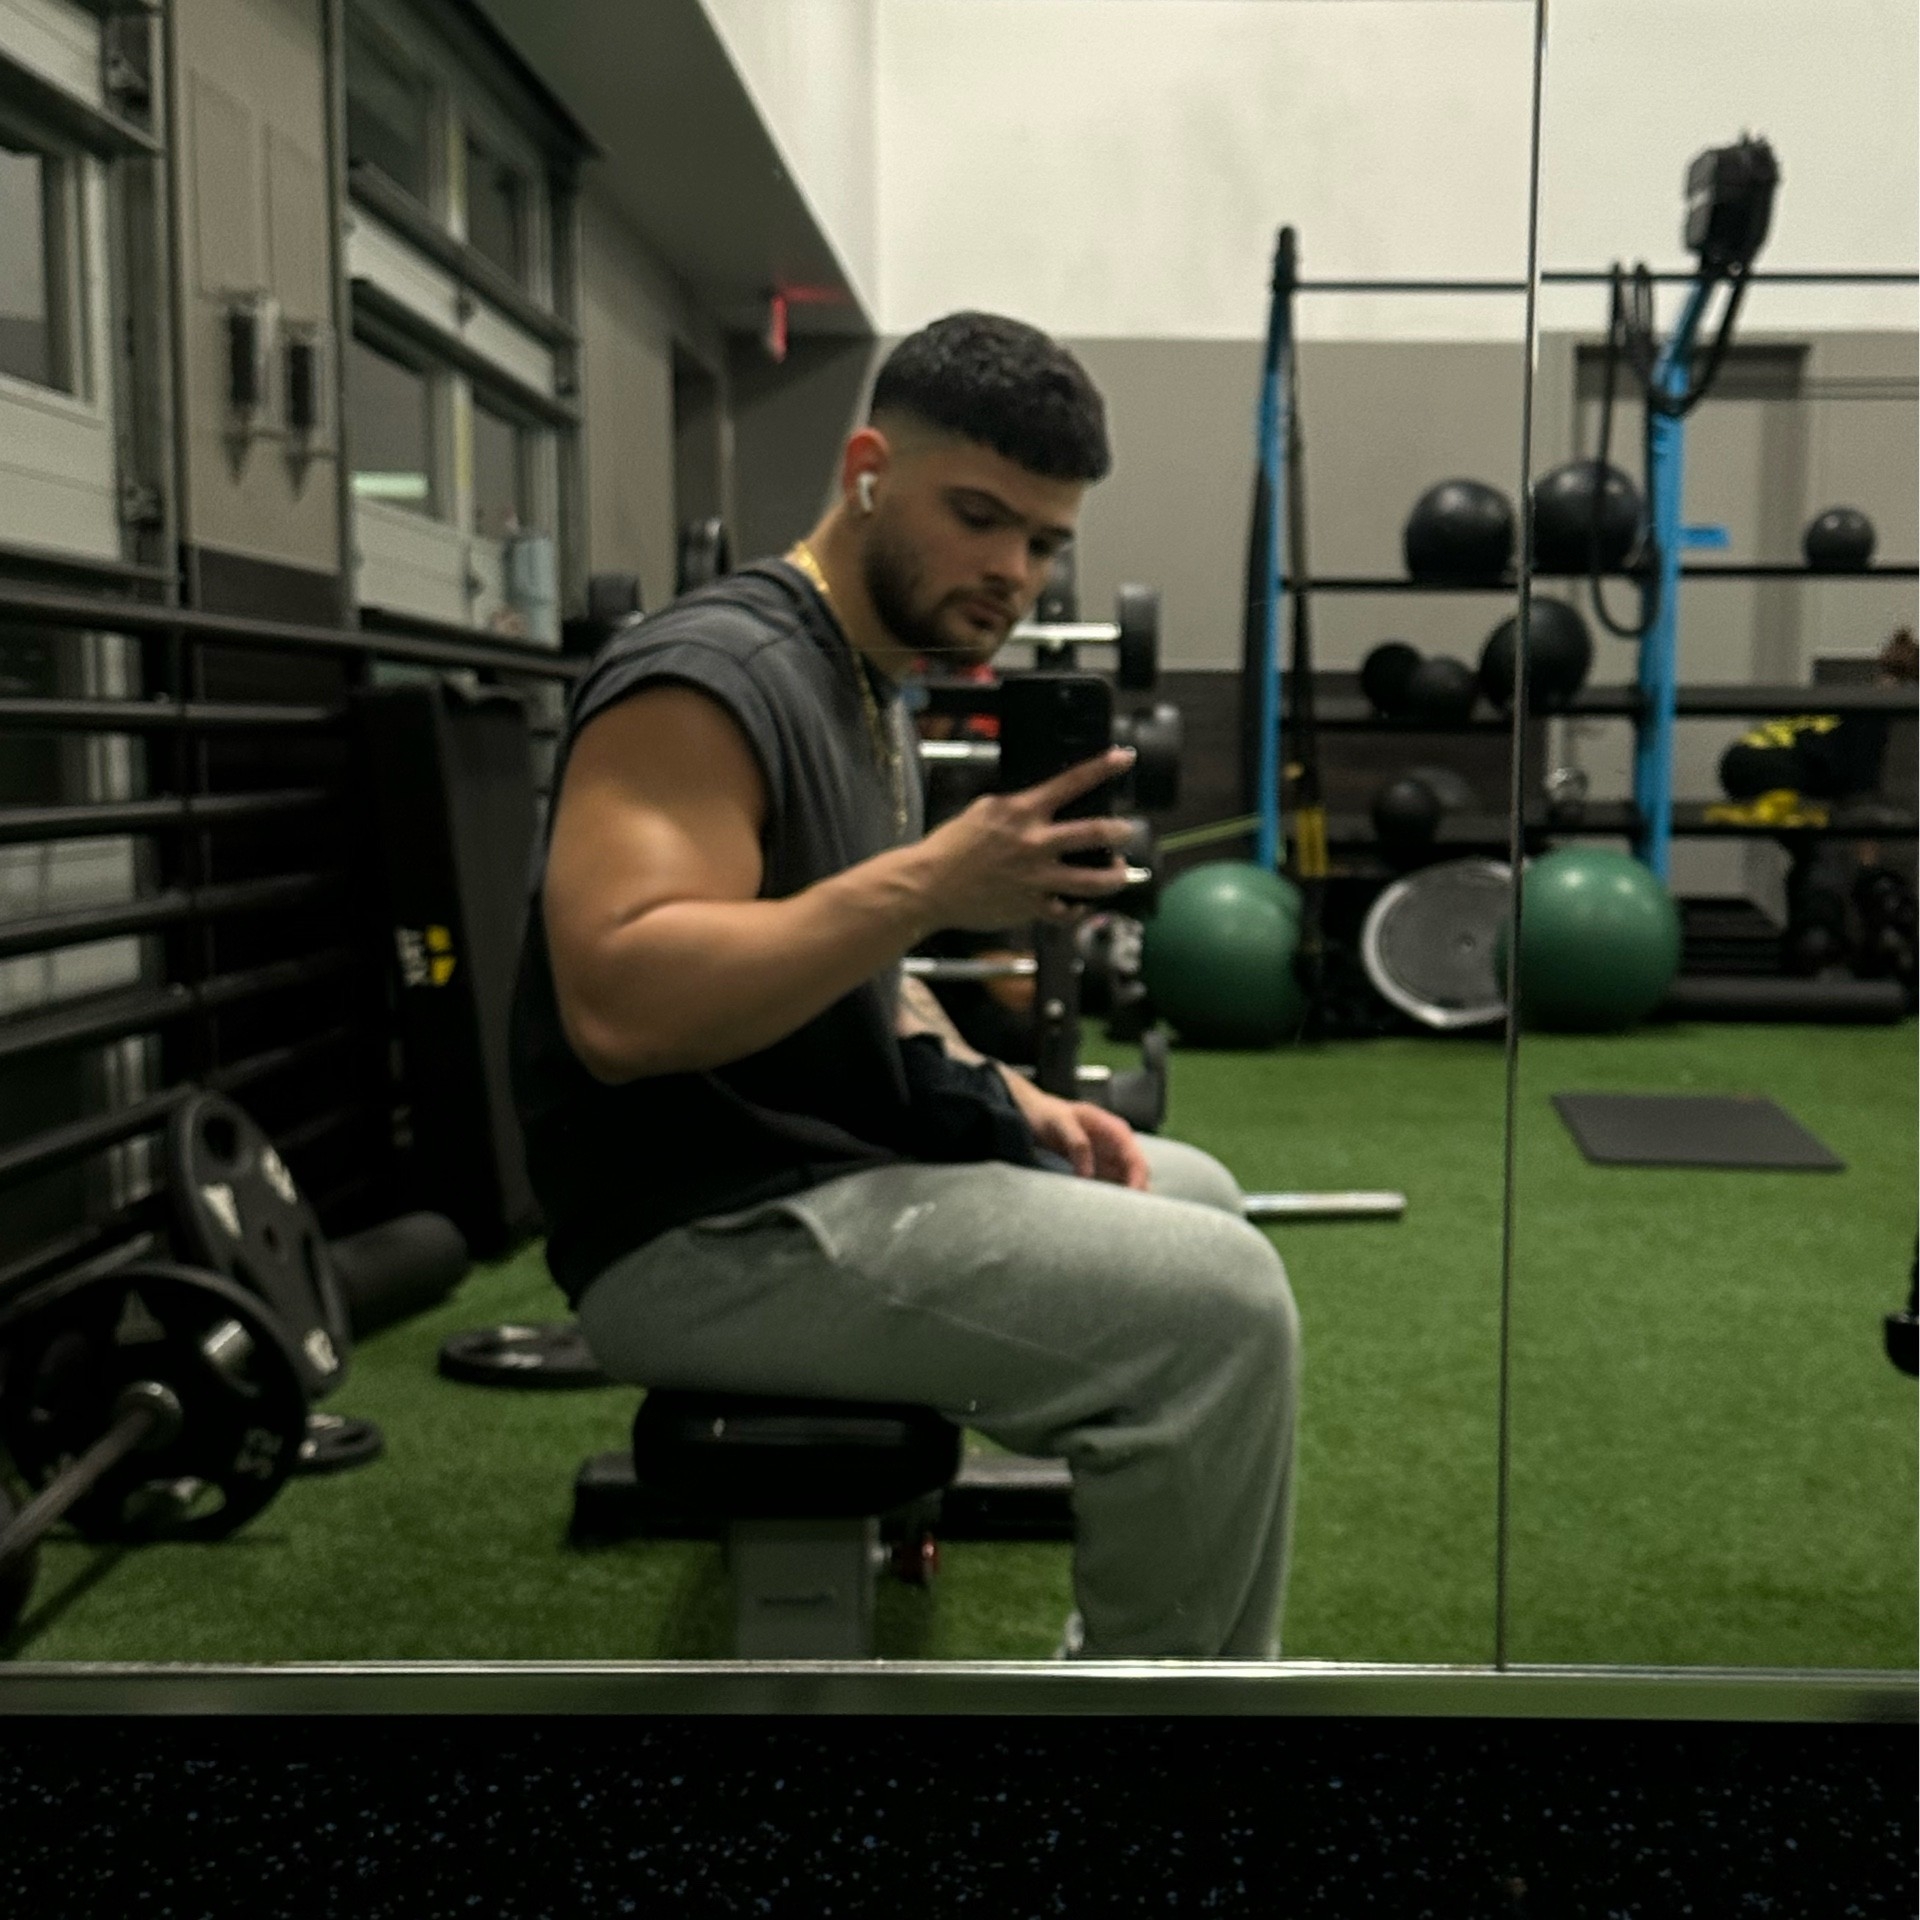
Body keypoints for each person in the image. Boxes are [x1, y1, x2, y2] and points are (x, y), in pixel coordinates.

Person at [509, 312, 1300, 1659]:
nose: (1013, 572)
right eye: (979, 518)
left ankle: (1150, 1667)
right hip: (700, 1234)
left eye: (1043, 542)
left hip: (809, 1171)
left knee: (1190, 1195)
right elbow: (622, 1007)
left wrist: (1007, 1091)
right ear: (869, 471)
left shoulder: (867, 682)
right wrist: (933, 885)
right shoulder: (709, 681)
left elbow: (854, 962)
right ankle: (1160, 1714)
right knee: (1219, 1307)